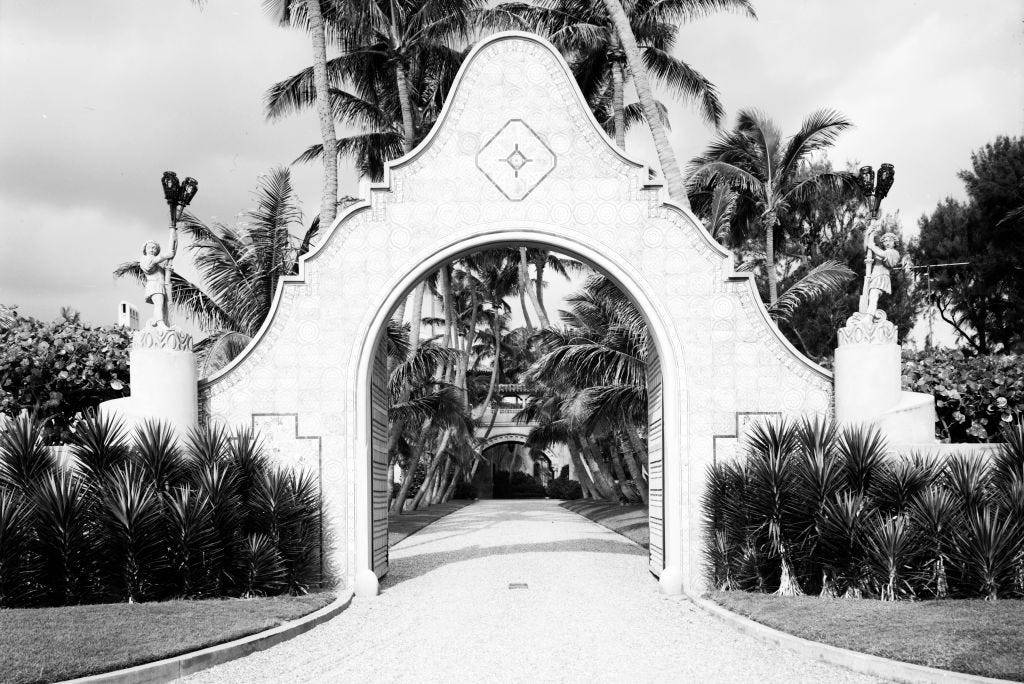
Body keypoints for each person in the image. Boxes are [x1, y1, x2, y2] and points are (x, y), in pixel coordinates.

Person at [863, 225, 900, 318]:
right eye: (885, 241)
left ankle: (869, 316)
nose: (887, 243)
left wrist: (872, 245)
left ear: (894, 243)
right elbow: (866, 249)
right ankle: (869, 315)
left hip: (881, 276)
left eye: (890, 240)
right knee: (870, 297)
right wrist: (867, 235)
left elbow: (882, 254)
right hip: (873, 276)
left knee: (874, 296)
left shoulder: (894, 253)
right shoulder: (879, 251)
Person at [140, 240, 175, 327]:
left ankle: (158, 321)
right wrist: (165, 256)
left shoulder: (159, 263)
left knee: (163, 306)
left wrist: (168, 270)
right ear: (145, 249)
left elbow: (163, 272)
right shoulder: (145, 259)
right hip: (154, 285)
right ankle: (160, 322)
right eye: (149, 247)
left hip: (161, 285)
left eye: (154, 248)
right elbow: (148, 266)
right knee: (159, 303)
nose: (152, 249)